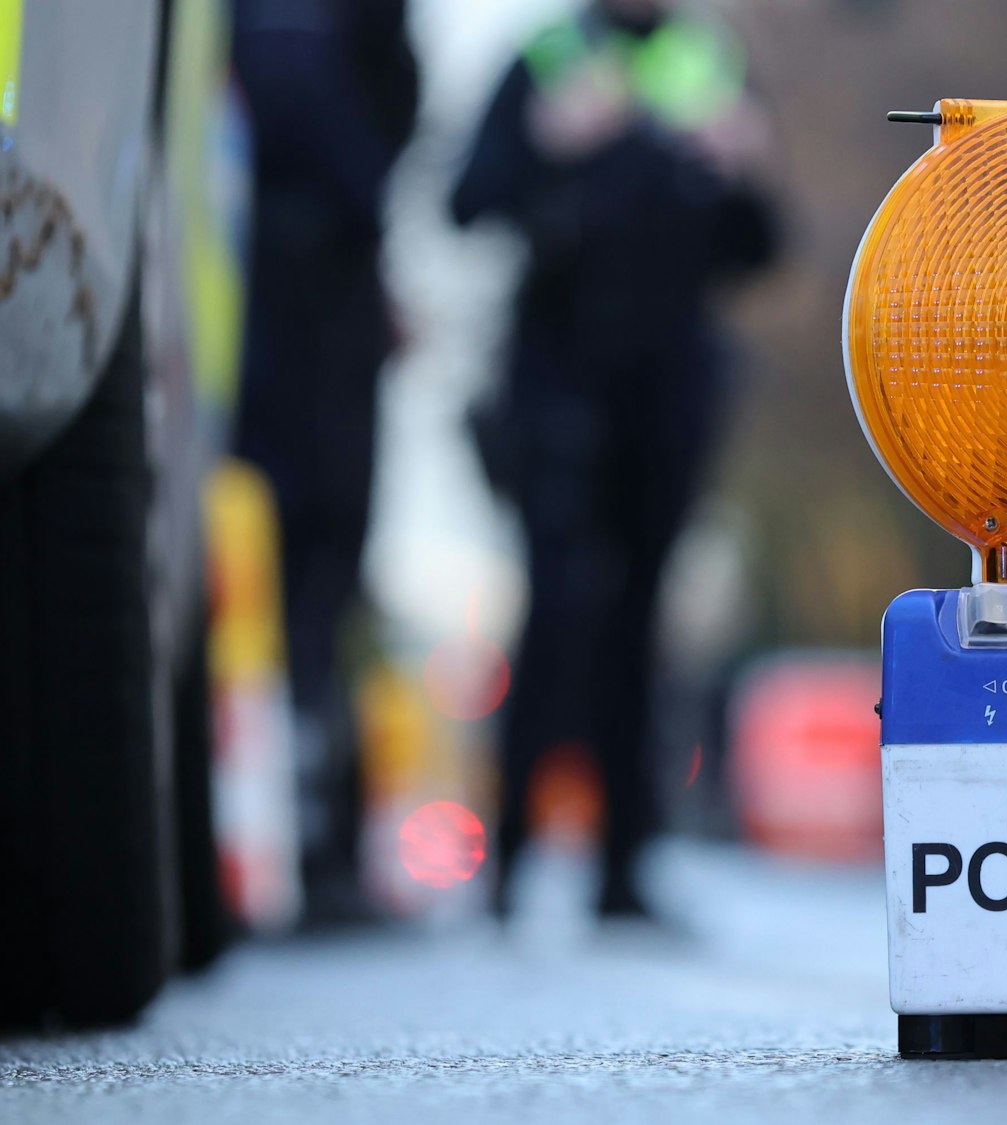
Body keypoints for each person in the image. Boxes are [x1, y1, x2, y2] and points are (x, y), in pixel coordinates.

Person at [450, 0, 778, 921]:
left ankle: (624, 870)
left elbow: (760, 245)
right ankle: (510, 859)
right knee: (557, 611)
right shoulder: (548, 58)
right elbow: (468, 201)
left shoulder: (709, 64)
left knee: (640, 621)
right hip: (558, 384)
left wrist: (742, 168)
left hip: (668, 392)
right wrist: (548, 146)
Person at [231, 0, 419, 925]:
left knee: (302, 589)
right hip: (294, 311)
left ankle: (303, 839)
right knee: (304, 584)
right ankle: (307, 845)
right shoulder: (305, 29)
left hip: (281, 298)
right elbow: (365, 128)